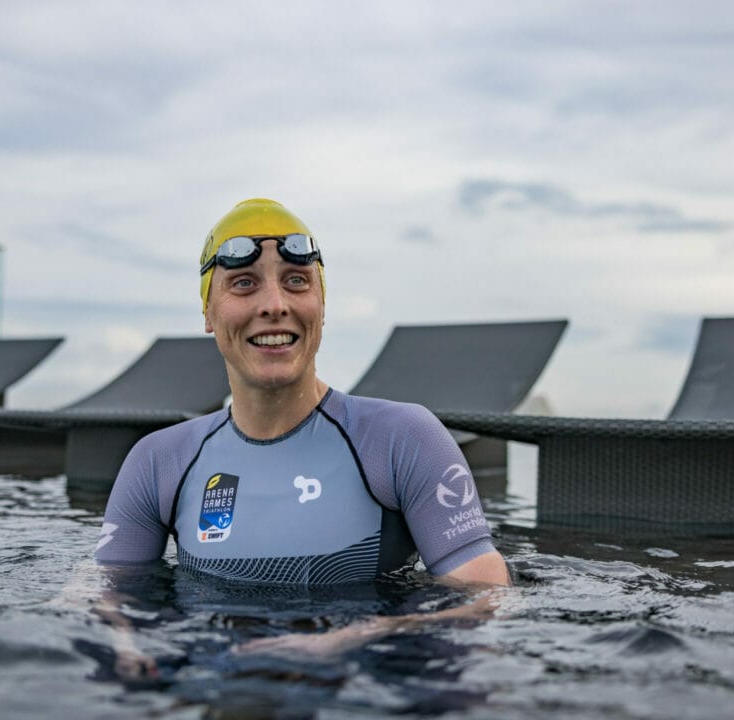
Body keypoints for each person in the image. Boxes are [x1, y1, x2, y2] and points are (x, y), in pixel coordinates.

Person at [93, 198, 508, 671]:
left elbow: (489, 599)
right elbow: (106, 597)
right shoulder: (159, 461)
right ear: (209, 313)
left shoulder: (400, 439)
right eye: (244, 284)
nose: (275, 305)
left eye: (296, 280)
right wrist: (127, 649)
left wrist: (360, 637)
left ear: (322, 306)